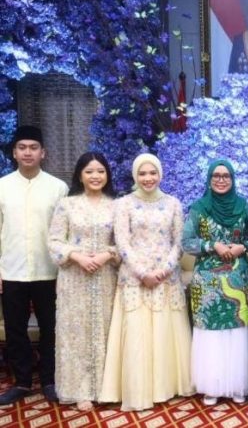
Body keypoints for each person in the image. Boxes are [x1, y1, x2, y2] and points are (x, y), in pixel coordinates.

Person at [100, 153, 193, 411]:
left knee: (164, 332)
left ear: (160, 174)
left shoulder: (173, 203)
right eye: (142, 173)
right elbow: (122, 242)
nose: (148, 178)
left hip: (166, 279)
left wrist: (162, 271)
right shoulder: (123, 204)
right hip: (134, 278)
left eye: (153, 173)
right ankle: (138, 389)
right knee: (137, 335)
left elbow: (179, 243)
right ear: (135, 176)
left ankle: (166, 387)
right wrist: (143, 273)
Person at [0, 126, 68, 405]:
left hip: (49, 271)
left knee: (51, 328)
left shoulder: (58, 188)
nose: (28, 152)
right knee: (15, 328)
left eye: (33, 147)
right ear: (14, 153)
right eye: (22, 147)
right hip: (11, 270)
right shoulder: (2, 186)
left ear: (43, 153)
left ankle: (50, 380)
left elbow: (64, 232)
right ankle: (23, 382)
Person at [48, 152, 120, 411]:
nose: (95, 176)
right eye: (89, 171)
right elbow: (54, 241)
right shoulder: (66, 205)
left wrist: (106, 255)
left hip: (106, 277)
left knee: (106, 330)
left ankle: (105, 388)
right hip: (74, 279)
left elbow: (124, 243)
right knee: (76, 333)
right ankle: (79, 390)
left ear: (107, 175)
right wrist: (77, 256)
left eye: (100, 171)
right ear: (80, 175)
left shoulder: (117, 206)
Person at [183, 160, 248, 406]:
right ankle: (211, 386)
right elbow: (187, 242)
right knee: (211, 333)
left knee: (237, 331)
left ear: (233, 179)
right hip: (208, 281)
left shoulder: (244, 207)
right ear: (209, 179)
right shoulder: (199, 208)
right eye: (216, 175)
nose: (221, 180)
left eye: (226, 176)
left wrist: (242, 246)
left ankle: (237, 384)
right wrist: (212, 245)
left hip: (238, 278)